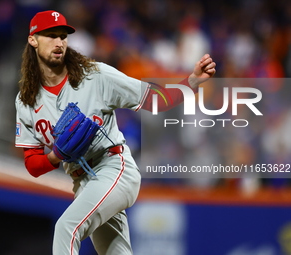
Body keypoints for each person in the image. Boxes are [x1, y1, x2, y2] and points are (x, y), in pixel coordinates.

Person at [15, 10, 216, 255]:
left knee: (66, 228)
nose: (59, 42)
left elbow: (154, 100)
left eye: (63, 36)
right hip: (83, 181)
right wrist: (55, 156)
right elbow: (32, 164)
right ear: (33, 40)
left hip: (113, 168)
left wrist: (192, 81)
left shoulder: (94, 75)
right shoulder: (26, 100)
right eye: (50, 35)